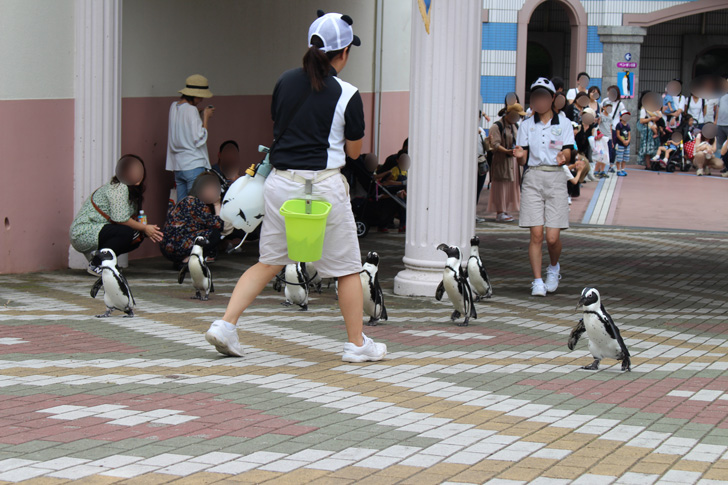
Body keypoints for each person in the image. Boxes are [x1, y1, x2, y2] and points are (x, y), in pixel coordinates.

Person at [203, 11, 386, 362]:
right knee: (347, 268)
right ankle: (357, 345)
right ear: (343, 52)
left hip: (282, 184)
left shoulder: (285, 81)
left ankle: (225, 325)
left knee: (269, 261)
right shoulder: (348, 94)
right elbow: (353, 151)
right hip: (324, 187)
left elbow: (280, 124)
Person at [513, 78, 574, 297]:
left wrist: (563, 157)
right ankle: (537, 280)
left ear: (552, 99)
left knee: (552, 238)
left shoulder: (564, 123)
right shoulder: (526, 125)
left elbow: (569, 151)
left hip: (556, 177)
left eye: (543, 97)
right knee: (536, 235)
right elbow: (523, 158)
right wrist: (520, 157)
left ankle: (554, 267)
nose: (539, 101)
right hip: (533, 178)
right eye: (535, 97)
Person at [70, 155, 163, 275]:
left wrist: (144, 229)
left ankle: (105, 262)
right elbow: (121, 219)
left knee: (136, 234)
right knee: (127, 232)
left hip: (98, 231)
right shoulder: (119, 188)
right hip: (83, 232)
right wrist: (145, 227)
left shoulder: (130, 191)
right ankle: (98, 263)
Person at [166, 74, 215, 201]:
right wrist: (205, 117)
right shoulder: (191, 110)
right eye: (201, 97)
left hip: (178, 165)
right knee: (195, 205)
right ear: (196, 95)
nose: (201, 100)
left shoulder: (174, 107)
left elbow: (184, 128)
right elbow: (200, 138)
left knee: (182, 207)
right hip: (193, 164)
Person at [160, 171, 223, 266]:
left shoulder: (185, 200)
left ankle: (182, 260)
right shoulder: (197, 204)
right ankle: (188, 260)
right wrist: (217, 204)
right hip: (178, 246)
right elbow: (219, 225)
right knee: (214, 235)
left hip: (167, 247)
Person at [487, 103, 525, 222]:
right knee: (501, 186)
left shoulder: (515, 126)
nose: (518, 118)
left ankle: (506, 210)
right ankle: (500, 212)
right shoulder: (497, 126)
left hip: (513, 160)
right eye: (517, 115)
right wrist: (507, 151)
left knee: (511, 186)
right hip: (501, 160)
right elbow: (495, 144)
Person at [637, 91, 662, 169]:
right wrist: (651, 118)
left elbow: (660, 115)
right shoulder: (643, 109)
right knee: (647, 148)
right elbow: (641, 120)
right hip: (647, 131)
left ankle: (654, 164)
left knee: (655, 147)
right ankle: (648, 165)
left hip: (654, 128)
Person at [614, 110, 631, 176]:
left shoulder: (628, 125)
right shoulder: (619, 125)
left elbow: (629, 134)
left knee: (625, 158)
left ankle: (623, 169)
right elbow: (618, 134)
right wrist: (623, 141)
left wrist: (628, 141)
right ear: (620, 117)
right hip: (620, 144)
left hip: (627, 145)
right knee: (619, 158)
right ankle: (618, 170)